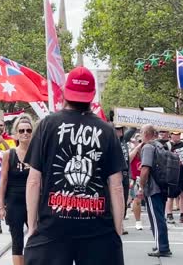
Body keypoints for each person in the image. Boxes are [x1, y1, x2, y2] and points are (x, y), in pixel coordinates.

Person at [24, 66, 126, 265]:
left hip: (53, 227)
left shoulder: (46, 125)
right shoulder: (107, 130)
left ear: (65, 93)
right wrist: (118, 228)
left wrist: (32, 224)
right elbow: (116, 185)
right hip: (97, 230)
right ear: (92, 96)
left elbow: (34, 181)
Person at [0, 115, 33, 265]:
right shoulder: (9, 154)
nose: (25, 133)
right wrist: (0, 206)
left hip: (33, 203)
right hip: (14, 202)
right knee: (17, 240)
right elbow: (3, 181)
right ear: (16, 134)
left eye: (28, 130)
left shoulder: (38, 154)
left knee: (36, 238)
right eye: (22, 130)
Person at [138, 124, 172, 257]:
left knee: (156, 219)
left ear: (146, 133)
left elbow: (145, 168)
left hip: (153, 187)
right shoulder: (159, 146)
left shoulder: (147, 147)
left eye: (141, 132)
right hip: (162, 185)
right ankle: (161, 244)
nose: (141, 135)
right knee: (159, 217)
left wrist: (141, 186)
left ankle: (162, 247)